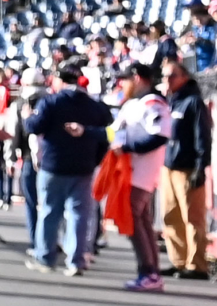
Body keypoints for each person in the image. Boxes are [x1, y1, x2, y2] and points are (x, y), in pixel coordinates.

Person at [29, 61, 110, 276]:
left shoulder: (51, 102)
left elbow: (33, 126)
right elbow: (107, 132)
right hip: (83, 166)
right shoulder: (94, 106)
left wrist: (30, 115)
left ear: (60, 81)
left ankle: (45, 258)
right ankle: (76, 260)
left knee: (49, 212)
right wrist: (95, 159)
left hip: (54, 165)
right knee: (79, 215)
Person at [109, 61, 175, 292]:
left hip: (142, 172)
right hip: (132, 172)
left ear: (137, 78)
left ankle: (148, 272)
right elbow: (113, 131)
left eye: (124, 79)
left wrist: (127, 147)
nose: (121, 84)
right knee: (142, 221)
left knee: (133, 220)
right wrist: (86, 131)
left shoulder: (153, 103)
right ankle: (150, 271)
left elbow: (160, 136)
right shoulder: (133, 104)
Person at [161, 58, 209, 280]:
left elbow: (203, 137)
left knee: (192, 218)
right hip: (169, 166)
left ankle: (196, 265)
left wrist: (201, 166)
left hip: (188, 167)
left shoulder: (193, 102)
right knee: (171, 216)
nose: (167, 80)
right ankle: (178, 261)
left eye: (172, 76)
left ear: (184, 78)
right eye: (164, 76)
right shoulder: (171, 102)